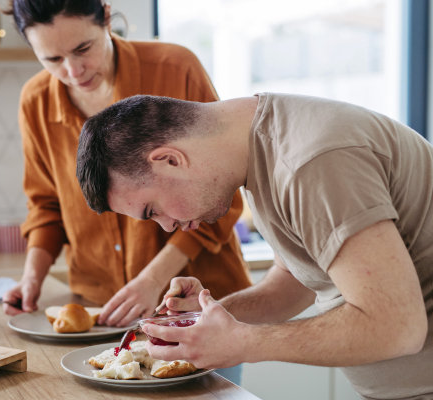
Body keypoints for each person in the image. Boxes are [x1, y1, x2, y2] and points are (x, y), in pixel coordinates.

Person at [76, 93, 433, 399]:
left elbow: (397, 326)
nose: (167, 226)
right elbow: (294, 282)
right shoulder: (260, 155)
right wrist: (207, 319)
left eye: (152, 210)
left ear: (170, 159)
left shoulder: (309, 163)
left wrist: (244, 343)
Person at [1, 0, 251, 336]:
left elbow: (224, 189)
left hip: (197, 305)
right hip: (101, 311)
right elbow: (46, 205)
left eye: (83, 48)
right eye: (53, 59)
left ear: (105, 17)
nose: (74, 71)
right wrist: (32, 277)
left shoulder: (174, 68)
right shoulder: (35, 101)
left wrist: (153, 280)